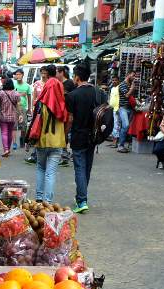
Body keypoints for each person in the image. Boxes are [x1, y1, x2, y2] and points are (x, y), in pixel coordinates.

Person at [31, 67, 68, 203]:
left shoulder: (41, 103)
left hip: (42, 140)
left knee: (41, 168)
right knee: (51, 173)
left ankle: (39, 198)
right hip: (57, 142)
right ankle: (48, 201)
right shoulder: (63, 105)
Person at [66, 64, 99, 213]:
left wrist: (65, 136)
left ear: (77, 77)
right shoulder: (98, 92)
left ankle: (82, 200)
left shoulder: (72, 95)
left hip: (78, 135)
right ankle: (82, 195)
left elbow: (70, 119)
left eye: (74, 76)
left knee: (79, 167)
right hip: (93, 136)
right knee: (87, 167)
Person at [0, 79, 25, 157]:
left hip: (3, 116)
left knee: (4, 132)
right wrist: (20, 115)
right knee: (10, 133)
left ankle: (6, 149)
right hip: (13, 116)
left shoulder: (1, 93)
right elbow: (19, 105)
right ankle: (8, 149)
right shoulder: (16, 94)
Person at [116, 71, 136, 152]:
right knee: (126, 126)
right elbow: (127, 95)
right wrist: (132, 88)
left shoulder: (129, 84)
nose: (134, 77)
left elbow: (131, 97)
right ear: (128, 75)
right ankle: (120, 146)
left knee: (125, 127)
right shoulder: (122, 85)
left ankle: (122, 144)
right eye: (133, 75)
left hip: (130, 108)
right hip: (123, 108)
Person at [13, 69, 33, 148]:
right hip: (14, 107)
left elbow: (29, 97)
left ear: (22, 75)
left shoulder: (27, 86)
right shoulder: (13, 84)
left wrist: (29, 108)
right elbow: (12, 94)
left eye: (19, 74)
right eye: (16, 74)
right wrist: (21, 94)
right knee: (14, 125)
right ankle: (14, 143)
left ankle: (22, 138)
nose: (18, 76)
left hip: (23, 107)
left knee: (23, 126)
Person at [108, 75, 120, 144]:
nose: (114, 81)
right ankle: (113, 140)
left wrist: (119, 108)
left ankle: (115, 142)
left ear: (118, 81)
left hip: (117, 109)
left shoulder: (119, 88)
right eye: (113, 80)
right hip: (112, 109)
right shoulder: (112, 88)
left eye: (115, 80)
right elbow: (111, 98)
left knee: (116, 125)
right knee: (113, 125)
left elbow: (120, 99)